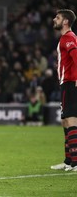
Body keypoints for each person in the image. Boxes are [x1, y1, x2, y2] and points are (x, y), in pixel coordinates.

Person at [50, 9, 77, 171]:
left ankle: (75, 162)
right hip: (66, 83)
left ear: (65, 21)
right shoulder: (67, 38)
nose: (55, 19)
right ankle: (69, 160)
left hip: (70, 84)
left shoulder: (68, 38)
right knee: (65, 121)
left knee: (71, 120)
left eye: (57, 18)